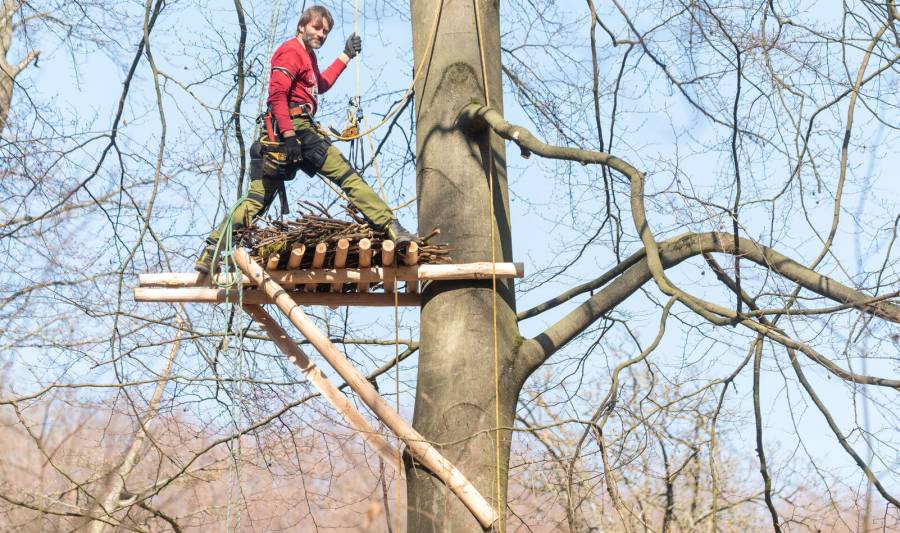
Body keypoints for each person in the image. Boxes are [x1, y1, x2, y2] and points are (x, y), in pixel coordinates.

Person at [195, 5, 419, 274]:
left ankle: (211, 251)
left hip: (279, 133)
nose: (321, 34)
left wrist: (346, 55)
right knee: (348, 177)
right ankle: (392, 227)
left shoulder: (306, 56)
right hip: (295, 130)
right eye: (316, 27)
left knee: (255, 201)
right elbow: (277, 96)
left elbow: (320, 84)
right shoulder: (291, 51)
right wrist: (290, 136)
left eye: (325, 31)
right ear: (302, 26)